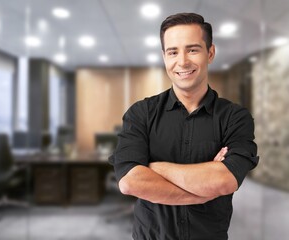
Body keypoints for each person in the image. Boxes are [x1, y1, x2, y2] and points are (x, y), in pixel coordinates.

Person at [109, 13, 259, 240]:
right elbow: (130, 182)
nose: (182, 61)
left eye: (192, 49)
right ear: (164, 57)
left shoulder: (235, 118)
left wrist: (155, 167)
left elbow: (224, 180)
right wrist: (201, 191)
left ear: (210, 53)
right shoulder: (141, 113)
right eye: (173, 52)